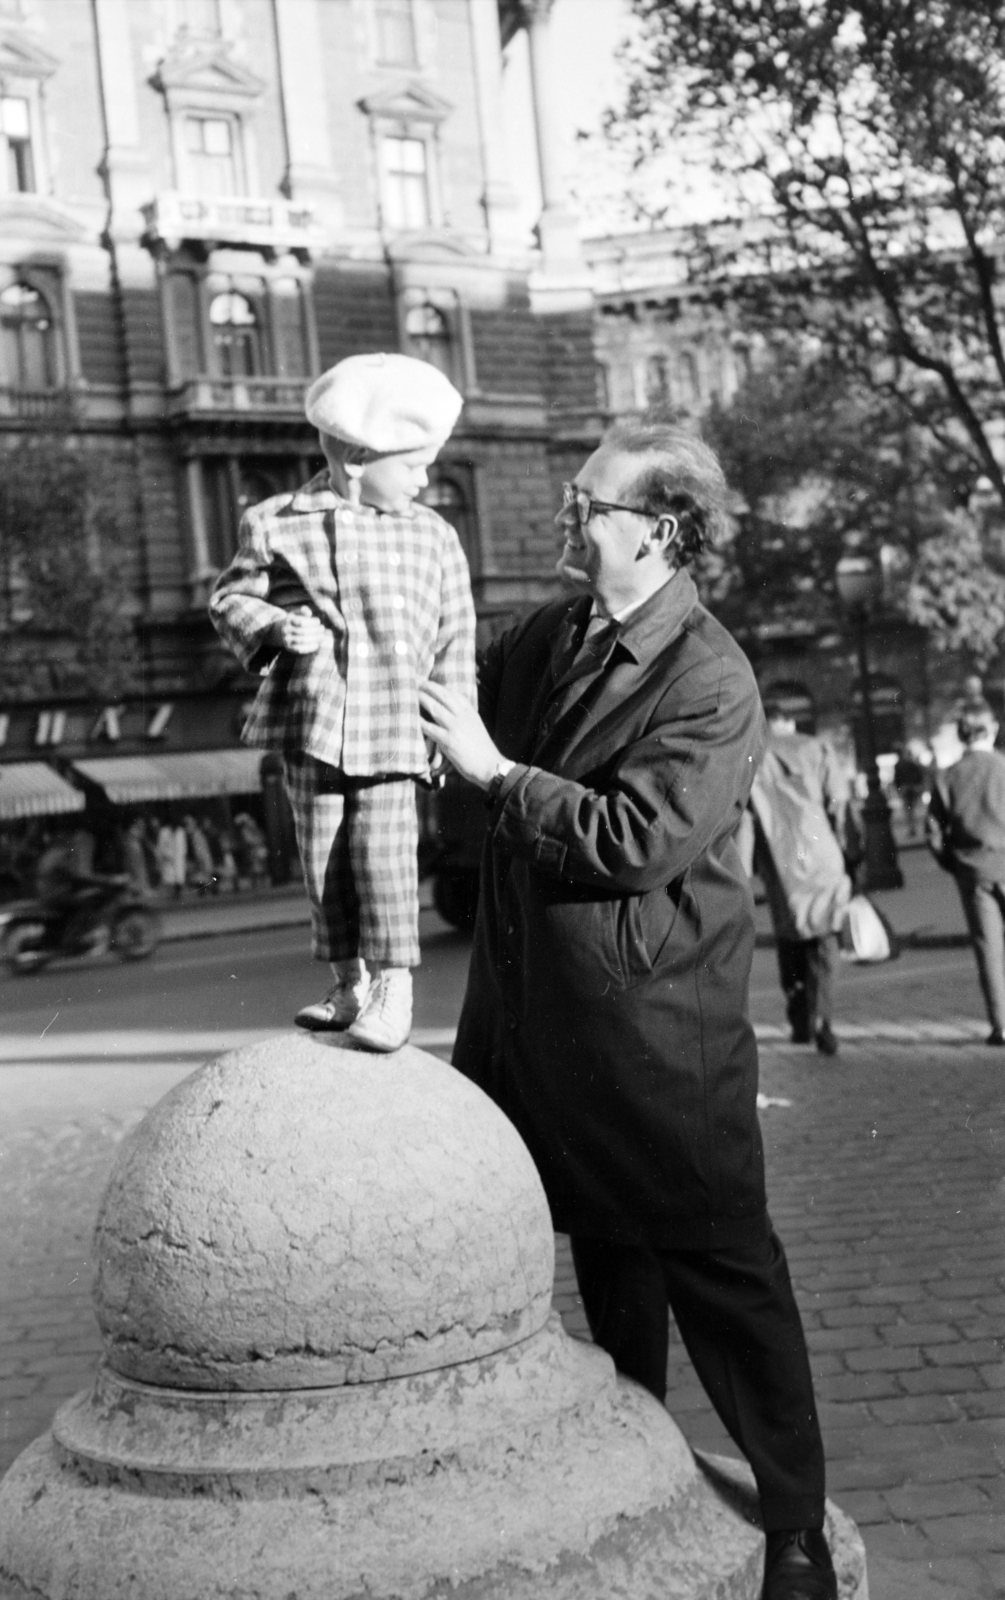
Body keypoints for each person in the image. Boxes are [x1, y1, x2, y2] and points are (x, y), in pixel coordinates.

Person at [419, 420, 837, 1600]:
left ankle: (793, 1527)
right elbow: (450, 669)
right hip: (543, 1030)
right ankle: (632, 1475)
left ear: (656, 530)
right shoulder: (551, 633)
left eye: (589, 503)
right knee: (610, 1276)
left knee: (725, 1281)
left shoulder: (710, 675)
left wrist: (499, 779)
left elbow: (633, 838)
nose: (570, 514)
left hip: (658, 1042)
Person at [210, 352, 476, 1052]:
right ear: (357, 458)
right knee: (323, 855)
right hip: (314, 719)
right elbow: (228, 598)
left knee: (383, 857)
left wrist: (453, 732)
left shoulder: (434, 536)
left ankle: (396, 989)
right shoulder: (276, 521)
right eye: (413, 465)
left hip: (394, 724)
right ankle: (348, 983)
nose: (424, 481)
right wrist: (271, 626)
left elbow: (455, 640)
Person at [750, 696, 852, 1057]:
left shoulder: (752, 753)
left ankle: (799, 1019)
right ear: (790, 721)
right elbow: (839, 802)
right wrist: (846, 849)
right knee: (824, 939)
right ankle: (824, 1018)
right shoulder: (815, 747)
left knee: (788, 936)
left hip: (778, 860)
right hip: (820, 852)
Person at [926, 700, 1005, 1046]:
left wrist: (956, 864)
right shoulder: (1003, 767)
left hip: (973, 868)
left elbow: (933, 833)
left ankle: (1001, 1023)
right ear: (992, 730)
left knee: (988, 948)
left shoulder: (948, 776)